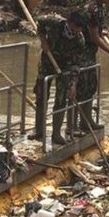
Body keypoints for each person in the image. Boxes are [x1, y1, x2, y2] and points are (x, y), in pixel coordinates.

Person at [29, 12, 86, 145]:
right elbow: (39, 22)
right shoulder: (54, 22)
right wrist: (43, 41)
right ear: (70, 23)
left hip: (65, 67)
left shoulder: (79, 40)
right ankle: (39, 131)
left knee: (61, 100)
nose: (79, 31)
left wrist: (73, 84)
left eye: (80, 29)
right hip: (48, 61)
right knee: (41, 95)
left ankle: (56, 135)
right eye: (77, 27)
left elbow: (76, 64)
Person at [78, 0, 109, 131]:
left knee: (90, 88)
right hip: (82, 54)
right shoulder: (93, 9)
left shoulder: (99, 8)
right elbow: (93, 37)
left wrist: (101, 32)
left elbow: (95, 30)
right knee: (83, 88)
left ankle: (86, 121)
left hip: (89, 53)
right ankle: (81, 124)